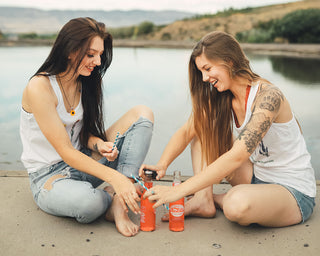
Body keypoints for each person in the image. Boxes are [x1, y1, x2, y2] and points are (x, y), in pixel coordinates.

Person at [141, 31, 316, 227]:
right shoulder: (223, 98)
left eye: (207, 68)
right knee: (202, 130)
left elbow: (237, 156)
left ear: (229, 61)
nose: (205, 78)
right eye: (201, 72)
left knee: (236, 205)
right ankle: (203, 200)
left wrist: (177, 191)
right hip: (255, 177)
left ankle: (213, 198)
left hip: (292, 191)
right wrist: (162, 164)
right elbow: (186, 132)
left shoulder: (269, 96)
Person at [20, 17, 154, 237]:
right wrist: (117, 179)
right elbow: (65, 151)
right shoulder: (40, 87)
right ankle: (116, 193)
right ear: (70, 50)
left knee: (142, 114)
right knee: (88, 205)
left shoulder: (88, 80)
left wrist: (99, 144)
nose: (98, 62)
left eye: (100, 55)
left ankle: (120, 203)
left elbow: (84, 134)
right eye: (91, 54)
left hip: (83, 161)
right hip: (49, 177)